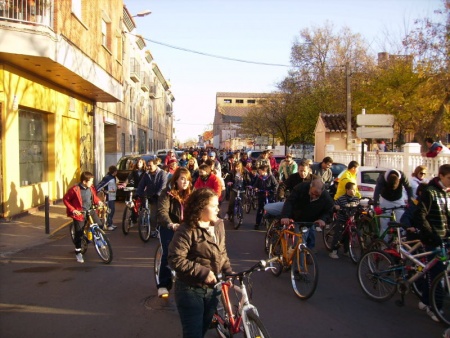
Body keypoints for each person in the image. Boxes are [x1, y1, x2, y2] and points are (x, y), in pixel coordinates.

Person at [168, 188, 232, 338]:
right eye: (213, 205)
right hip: (190, 290)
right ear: (200, 207)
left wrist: (228, 271)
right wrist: (203, 272)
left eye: (218, 205)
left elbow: (221, 252)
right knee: (194, 334)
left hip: (212, 289)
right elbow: (175, 258)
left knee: (203, 329)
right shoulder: (186, 230)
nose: (218, 209)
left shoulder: (218, 225)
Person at [414, 164, 450, 322]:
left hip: (443, 238)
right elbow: (420, 215)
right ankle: (435, 308)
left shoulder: (445, 193)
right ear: (441, 176)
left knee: (435, 273)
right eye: (449, 178)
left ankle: (425, 301)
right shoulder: (430, 192)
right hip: (433, 239)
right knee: (438, 275)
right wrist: (430, 234)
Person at [156, 167, 193, 298]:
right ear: (176, 179)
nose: (185, 182)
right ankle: (163, 285)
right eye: (182, 179)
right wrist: (170, 223)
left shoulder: (191, 194)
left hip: (185, 227)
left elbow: (196, 210)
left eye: (187, 180)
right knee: (169, 252)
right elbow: (162, 211)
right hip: (168, 226)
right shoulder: (167, 193)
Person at [280, 179, 334, 252]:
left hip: (311, 219)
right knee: (299, 238)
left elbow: (329, 210)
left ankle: (308, 253)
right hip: (296, 216)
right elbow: (290, 202)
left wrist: (323, 219)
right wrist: (285, 216)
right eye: (312, 193)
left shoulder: (326, 197)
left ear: (322, 191)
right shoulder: (300, 188)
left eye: (317, 195)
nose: (314, 196)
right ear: (310, 187)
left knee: (311, 236)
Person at [63, 171, 103, 263]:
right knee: (79, 234)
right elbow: (65, 199)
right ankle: (78, 253)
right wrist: (73, 210)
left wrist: (99, 202)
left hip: (90, 211)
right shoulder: (74, 189)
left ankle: (97, 239)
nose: (92, 183)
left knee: (100, 225)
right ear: (84, 181)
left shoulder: (91, 188)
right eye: (91, 181)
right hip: (80, 214)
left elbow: (94, 197)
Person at [373, 168, 413, 239]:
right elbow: (377, 191)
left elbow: (409, 188)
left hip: (398, 199)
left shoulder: (402, 176)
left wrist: (410, 201)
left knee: (401, 222)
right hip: (385, 199)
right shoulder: (382, 178)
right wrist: (376, 205)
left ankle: (402, 242)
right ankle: (384, 244)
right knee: (384, 224)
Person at [137, 156, 168, 238]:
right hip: (151, 196)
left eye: (150, 165)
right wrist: (138, 193)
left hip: (161, 197)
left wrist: (157, 194)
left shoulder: (162, 173)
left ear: (155, 165)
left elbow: (163, 186)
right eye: (148, 166)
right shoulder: (146, 174)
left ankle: (161, 230)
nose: (148, 167)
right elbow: (141, 184)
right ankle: (153, 230)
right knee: (153, 215)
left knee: (161, 214)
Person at [329, 182, 360, 259]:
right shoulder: (342, 198)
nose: (354, 191)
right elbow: (334, 205)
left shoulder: (356, 199)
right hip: (342, 219)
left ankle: (346, 250)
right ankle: (333, 251)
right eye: (352, 189)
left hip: (351, 220)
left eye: (355, 189)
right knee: (338, 235)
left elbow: (359, 207)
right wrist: (337, 207)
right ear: (347, 190)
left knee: (348, 236)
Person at [96, 165, 121, 231]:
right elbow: (100, 185)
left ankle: (110, 223)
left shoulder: (113, 177)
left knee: (112, 210)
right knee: (109, 211)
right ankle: (108, 225)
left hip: (112, 196)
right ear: (115, 171)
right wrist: (96, 192)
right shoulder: (108, 178)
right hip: (109, 197)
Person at [253, 164, 278, 230]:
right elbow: (255, 185)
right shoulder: (259, 178)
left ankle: (272, 223)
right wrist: (255, 188)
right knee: (260, 209)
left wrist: (274, 190)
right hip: (261, 195)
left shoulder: (271, 177)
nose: (259, 172)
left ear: (264, 171)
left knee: (271, 209)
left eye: (260, 171)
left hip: (269, 195)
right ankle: (257, 223)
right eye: (259, 171)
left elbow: (276, 185)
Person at [123, 158, 147, 225]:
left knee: (144, 204)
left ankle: (144, 218)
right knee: (133, 203)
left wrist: (146, 187)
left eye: (140, 162)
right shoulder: (134, 171)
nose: (138, 163)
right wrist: (125, 183)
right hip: (136, 189)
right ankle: (134, 218)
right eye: (138, 162)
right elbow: (129, 178)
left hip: (143, 190)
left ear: (143, 164)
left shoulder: (146, 172)